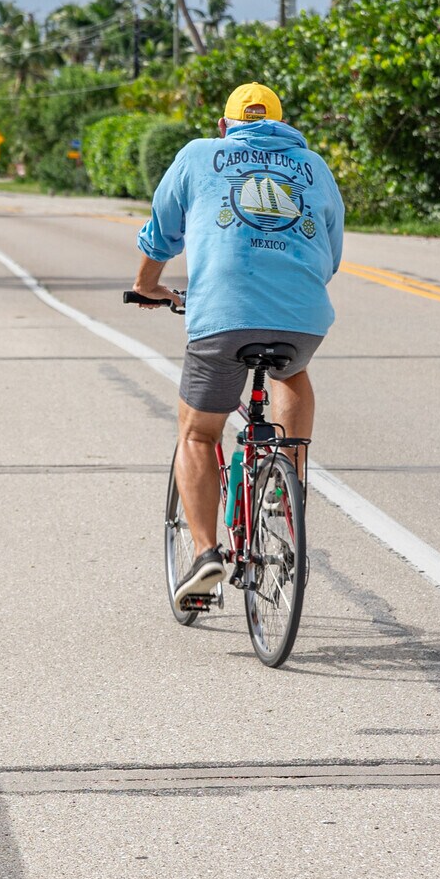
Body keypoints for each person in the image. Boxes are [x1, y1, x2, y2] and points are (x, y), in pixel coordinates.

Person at [130, 81, 344, 605]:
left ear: (225, 127)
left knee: (199, 435)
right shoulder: (313, 165)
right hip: (302, 315)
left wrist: (147, 287)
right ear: (284, 126)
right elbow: (331, 251)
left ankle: (206, 556)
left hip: (223, 315)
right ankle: (287, 485)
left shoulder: (201, 154)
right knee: (290, 372)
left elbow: (161, 231)